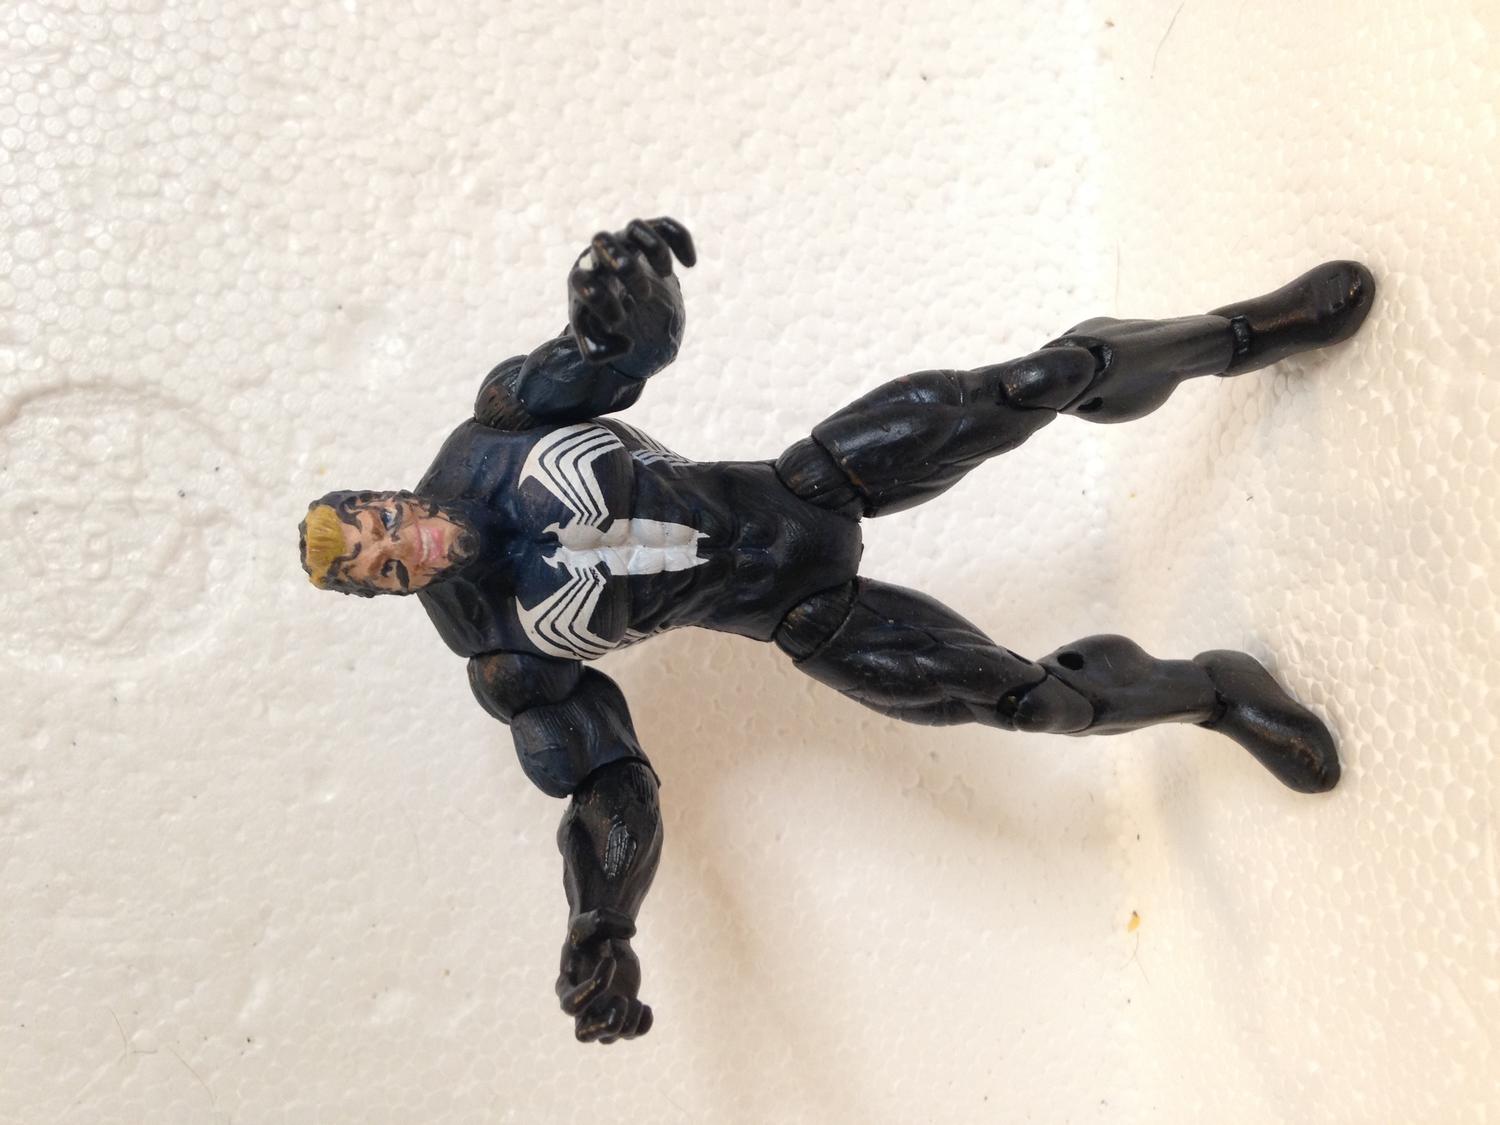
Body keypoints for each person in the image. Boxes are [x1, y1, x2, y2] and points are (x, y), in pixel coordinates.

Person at [299, 217, 1374, 1043]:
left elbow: (619, 353)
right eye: (389, 564)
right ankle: (1215, 691)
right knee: (1025, 701)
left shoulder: (500, 427)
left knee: (1036, 383)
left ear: (388, 492)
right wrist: (602, 922)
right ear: (390, 591)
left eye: (387, 520)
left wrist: (625, 280)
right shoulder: (504, 655)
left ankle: (1250, 333)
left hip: (811, 483)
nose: (410, 543)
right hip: (804, 616)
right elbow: (609, 787)